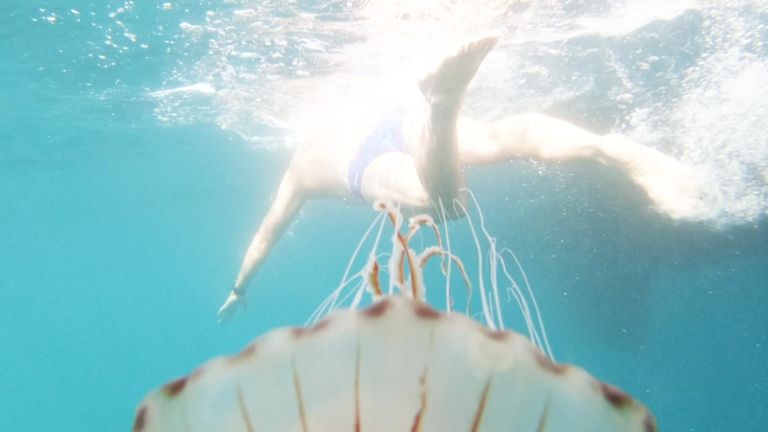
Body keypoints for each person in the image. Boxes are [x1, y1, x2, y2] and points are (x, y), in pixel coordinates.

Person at [217, 33, 705, 321]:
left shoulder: (298, 171)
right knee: (498, 139)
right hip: (390, 119)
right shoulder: (337, 109)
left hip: (360, 167)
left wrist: (239, 287)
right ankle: (613, 151)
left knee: (448, 206)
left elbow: (264, 237)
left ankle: (442, 108)